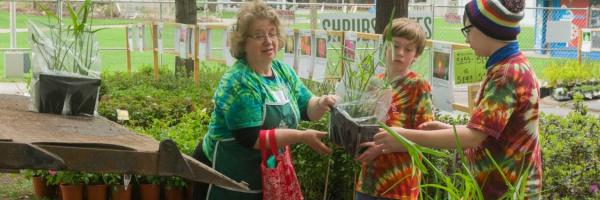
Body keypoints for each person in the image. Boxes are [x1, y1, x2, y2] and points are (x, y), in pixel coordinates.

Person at [371, 0, 543, 199]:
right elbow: (489, 132)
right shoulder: (511, 65)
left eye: (468, 29)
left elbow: (472, 137)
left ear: (488, 29)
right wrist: (447, 128)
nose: (467, 38)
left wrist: (404, 136)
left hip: (506, 191)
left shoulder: (506, 74)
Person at [191, 1, 335, 199]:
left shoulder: (282, 71)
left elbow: (307, 107)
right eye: (259, 35)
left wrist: (322, 102)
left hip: (262, 178)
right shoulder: (240, 81)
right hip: (222, 178)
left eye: (272, 33)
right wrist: (301, 137)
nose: (268, 40)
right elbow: (252, 138)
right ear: (243, 42)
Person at [354, 18, 433, 200]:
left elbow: (425, 138)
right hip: (367, 182)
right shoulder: (375, 82)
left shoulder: (418, 85)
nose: (400, 53)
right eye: (395, 46)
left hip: (399, 187)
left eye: (408, 49)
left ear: (416, 55)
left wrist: (380, 148)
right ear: (385, 46)